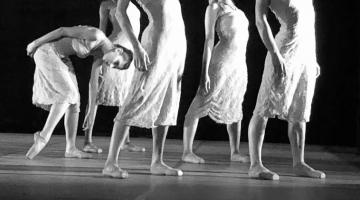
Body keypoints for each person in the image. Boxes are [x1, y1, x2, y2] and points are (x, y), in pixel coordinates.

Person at [102, 0, 187, 178]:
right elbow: (120, 12)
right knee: (136, 98)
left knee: (168, 99)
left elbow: (175, 15)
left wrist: (181, 54)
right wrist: (137, 47)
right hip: (156, 41)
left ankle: (157, 161)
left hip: (176, 44)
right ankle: (111, 163)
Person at [25, 25, 133, 160]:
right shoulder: (96, 35)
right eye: (116, 63)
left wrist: (90, 111)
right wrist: (34, 43)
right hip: (47, 52)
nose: (111, 66)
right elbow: (62, 31)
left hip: (61, 58)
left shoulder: (101, 55)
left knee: (75, 102)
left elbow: (93, 84)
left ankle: (70, 149)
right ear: (118, 50)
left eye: (115, 67)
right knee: (68, 94)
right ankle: (43, 137)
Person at [248, 0, 325, 180]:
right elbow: (260, 21)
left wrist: (312, 58)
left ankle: (299, 163)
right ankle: (255, 165)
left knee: (300, 109)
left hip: (304, 55)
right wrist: (274, 53)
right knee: (264, 106)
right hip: (284, 51)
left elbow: (307, 23)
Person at [182, 0, 249, 164]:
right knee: (200, 101)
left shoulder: (233, 6)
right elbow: (209, 40)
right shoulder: (214, 7)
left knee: (235, 103)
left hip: (238, 64)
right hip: (221, 63)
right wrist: (204, 72)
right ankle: (187, 151)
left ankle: (235, 152)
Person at [82, 0, 145, 154]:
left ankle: (125, 141)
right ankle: (87, 141)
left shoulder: (135, 5)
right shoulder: (106, 5)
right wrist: (98, 52)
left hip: (129, 53)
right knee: (96, 93)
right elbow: (101, 32)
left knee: (126, 96)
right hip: (114, 48)